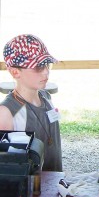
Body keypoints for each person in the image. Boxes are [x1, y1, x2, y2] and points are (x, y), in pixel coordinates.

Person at [0, 34, 62, 171]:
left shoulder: (46, 97)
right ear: (15, 72)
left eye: (46, 64)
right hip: (31, 190)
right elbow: (5, 169)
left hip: (52, 185)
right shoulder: (7, 112)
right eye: (38, 67)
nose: (46, 72)